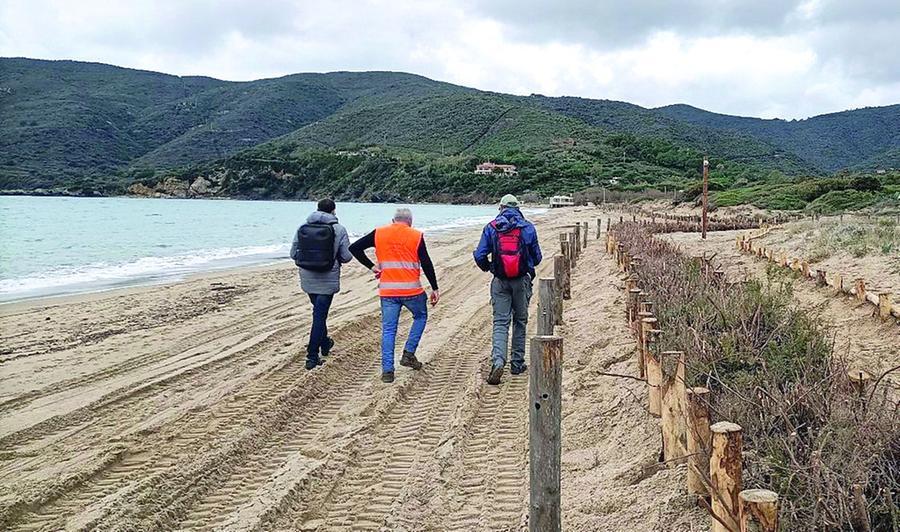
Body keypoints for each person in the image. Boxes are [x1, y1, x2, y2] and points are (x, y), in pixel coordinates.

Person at [349, 207, 440, 383]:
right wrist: (434, 288)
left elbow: (354, 248)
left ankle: (388, 372)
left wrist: (372, 267)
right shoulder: (416, 235)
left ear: (393, 220)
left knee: (389, 330)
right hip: (412, 290)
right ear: (410, 222)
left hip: (388, 290)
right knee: (420, 316)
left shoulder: (379, 233)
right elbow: (426, 263)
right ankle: (408, 352)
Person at [473, 194, 542, 385]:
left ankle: (498, 360)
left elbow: (479, 255)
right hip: (521, 280)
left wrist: (489, 267)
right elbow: (537, 258)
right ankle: (517, 364)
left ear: (501, 208)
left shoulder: (492, 227)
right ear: (518, 208)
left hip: (500, 280)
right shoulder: (527, 227)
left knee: (500, 322)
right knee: (520, 321)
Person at [290, 198, 353, 370]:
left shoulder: (303, 227)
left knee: (318, 313)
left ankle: (325, 342)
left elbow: (293, 253)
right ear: (334, 211)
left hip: (307, 277)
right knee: (319, 316)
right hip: (327, 278)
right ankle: (311, 356)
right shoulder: (339, 229)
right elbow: (346, 257)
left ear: (317, 209)